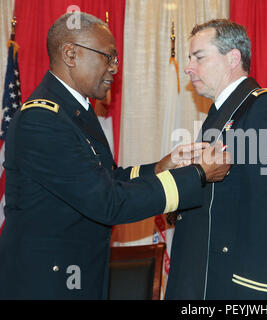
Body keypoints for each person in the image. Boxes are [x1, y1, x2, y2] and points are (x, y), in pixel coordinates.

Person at [0, 12, 230, 299]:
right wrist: (197, 175)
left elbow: (106, 178)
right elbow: (107, 202)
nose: (114, 69)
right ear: (71, 54)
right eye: (108, 57)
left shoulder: (76, 111)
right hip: (45, 285)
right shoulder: (43, 119)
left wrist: (162, 166)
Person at [165, 19, 267, 299]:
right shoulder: (222, 113)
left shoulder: (261, 107)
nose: (189, 67)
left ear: (233, 58)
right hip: (204, 274)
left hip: (237, 284)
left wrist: (253, 287)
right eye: (189, 59)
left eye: (198, 57)